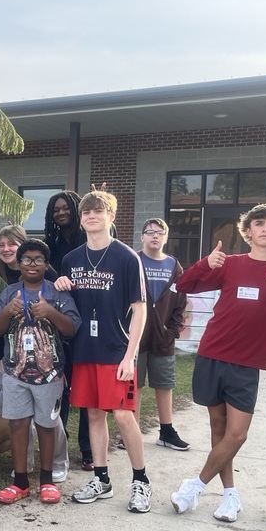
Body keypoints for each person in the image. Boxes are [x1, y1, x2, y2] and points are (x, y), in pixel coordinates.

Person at [170, 203, 266, 523]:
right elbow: (183, 285)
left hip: (246, 364)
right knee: (219, 430)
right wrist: (205, 263)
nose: (265, 228)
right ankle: (230, 496)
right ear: (248, 231)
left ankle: (195, 486)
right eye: (258, 223)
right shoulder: (230, 264)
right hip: (212, 354)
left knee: (237, 434)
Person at [55, 188, 152, 513]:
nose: (91, 216)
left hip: (116, 351)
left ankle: (141, 481)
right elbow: (66, 304)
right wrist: (60, 285)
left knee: (123, 416)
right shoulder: (71, 259)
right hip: (84, 351)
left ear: (111, 216)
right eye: (86, 212)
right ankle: (102, 478)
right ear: (81, 220)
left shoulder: (127, 257)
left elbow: (140, 310)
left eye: (98, 211)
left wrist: (130, 356)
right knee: (93, 414)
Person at [0, 239, 80, 504]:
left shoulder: (57, 294)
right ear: (18, 264)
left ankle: (47, 481)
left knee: (47, 425)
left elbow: (71, 328)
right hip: (14, 374)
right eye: (27, 259)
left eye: (38, 259)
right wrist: (8, 311)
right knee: (18, 425)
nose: (32, 264)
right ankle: (20, 482)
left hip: (49, 375)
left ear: (46, 264)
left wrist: (50, 312)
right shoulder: (8, 294)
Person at [44, 191, 94, 472]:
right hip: (59, 324)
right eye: (56, 210)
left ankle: (86, 449)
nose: (61, 213)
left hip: (86, 320)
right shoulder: (51, 243)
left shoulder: (85, 241)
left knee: (84, 389)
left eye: (65, 208)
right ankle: (57, 448)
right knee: (60, 388)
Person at [134, 218, 191, 451]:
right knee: (134, 385)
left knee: (164, 384)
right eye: (150, 232)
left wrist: (174, 330)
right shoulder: (133, 260)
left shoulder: (174, 265)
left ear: (166, 238)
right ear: (142, 237)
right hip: (135, 337)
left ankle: (166, 432)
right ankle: (133, 432)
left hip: (163, 337)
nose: (154, 236)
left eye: (160, 233)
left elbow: (181, 300)